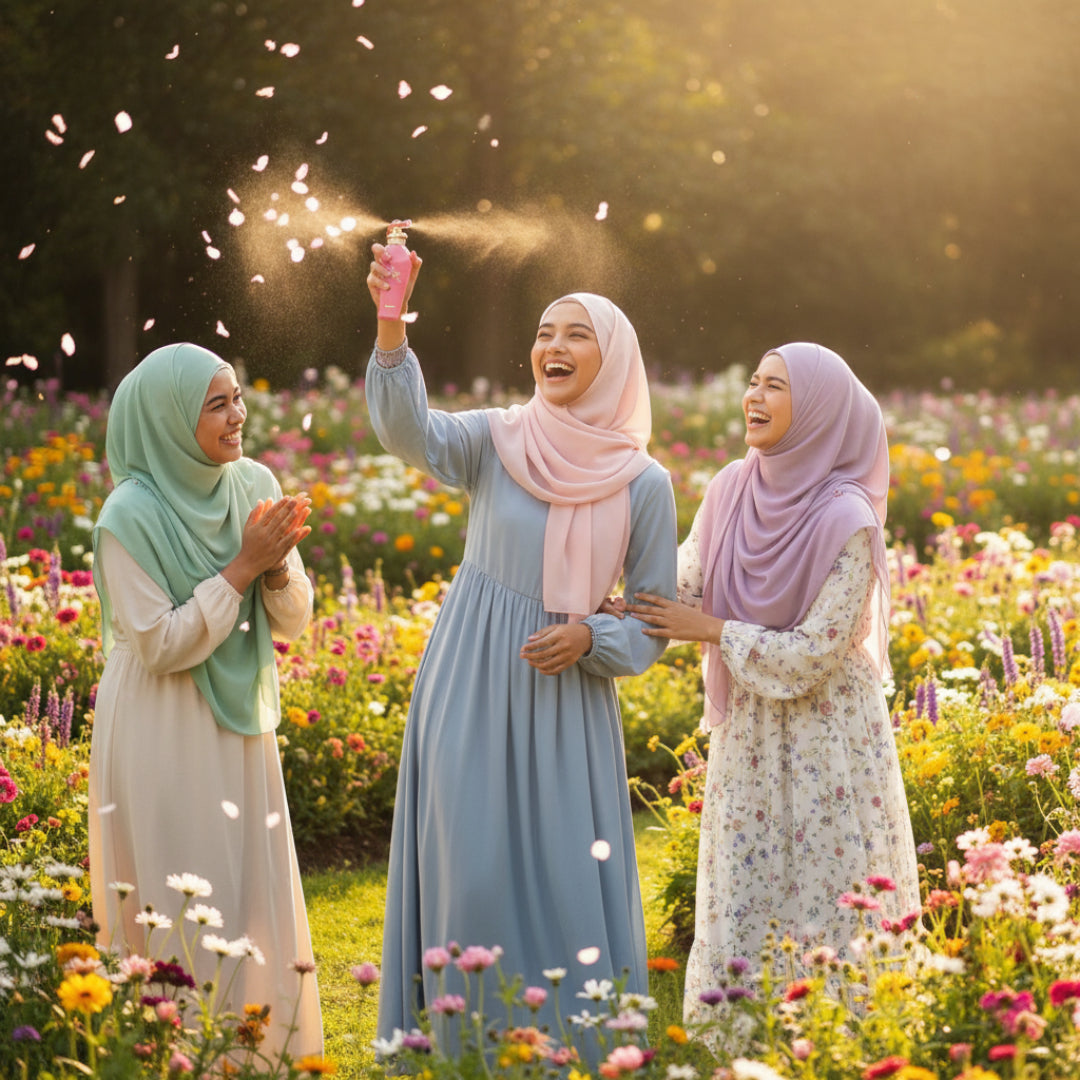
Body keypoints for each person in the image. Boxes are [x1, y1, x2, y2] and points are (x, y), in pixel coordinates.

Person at [365, 244, 678, 1053]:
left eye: (578, 335)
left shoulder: (643, 483)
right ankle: (465, 1040)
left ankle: (566, 1040)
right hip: (470, 676)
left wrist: (590, 635)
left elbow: (652, 616)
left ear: (612, 361)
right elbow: (409, 433)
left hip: (565, 693)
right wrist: (392, 324)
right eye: (545, 333)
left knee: (564, 867)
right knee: (468, 865)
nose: (555, 348)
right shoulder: (496, 441)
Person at [627, 343, 920, 1032]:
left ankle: (834, 1027)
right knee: (751, 878)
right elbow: (685, 580)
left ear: (817, 408)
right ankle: (746, 1021)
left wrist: (712, 630)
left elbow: (815, 652)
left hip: (827, 736)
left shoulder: (849, 519)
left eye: (776, 387)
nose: (753, 398)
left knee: (828, 878)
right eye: (753, 383)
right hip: (753, 737)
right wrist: (611, 595)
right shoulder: (732, 487)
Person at [88, 343, 323, 1060]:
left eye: (238, 398)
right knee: (176, 882)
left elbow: (294, 620)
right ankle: (178, 1054)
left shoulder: (252, 482)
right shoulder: (127, 515)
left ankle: (256, 1055)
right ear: (166, 419)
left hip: (240, 722)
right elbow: (160, 644)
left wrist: (277, 568)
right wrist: (244, 564)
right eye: (216, 404)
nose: (238, 416)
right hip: (164, 719)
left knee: (248, 880)